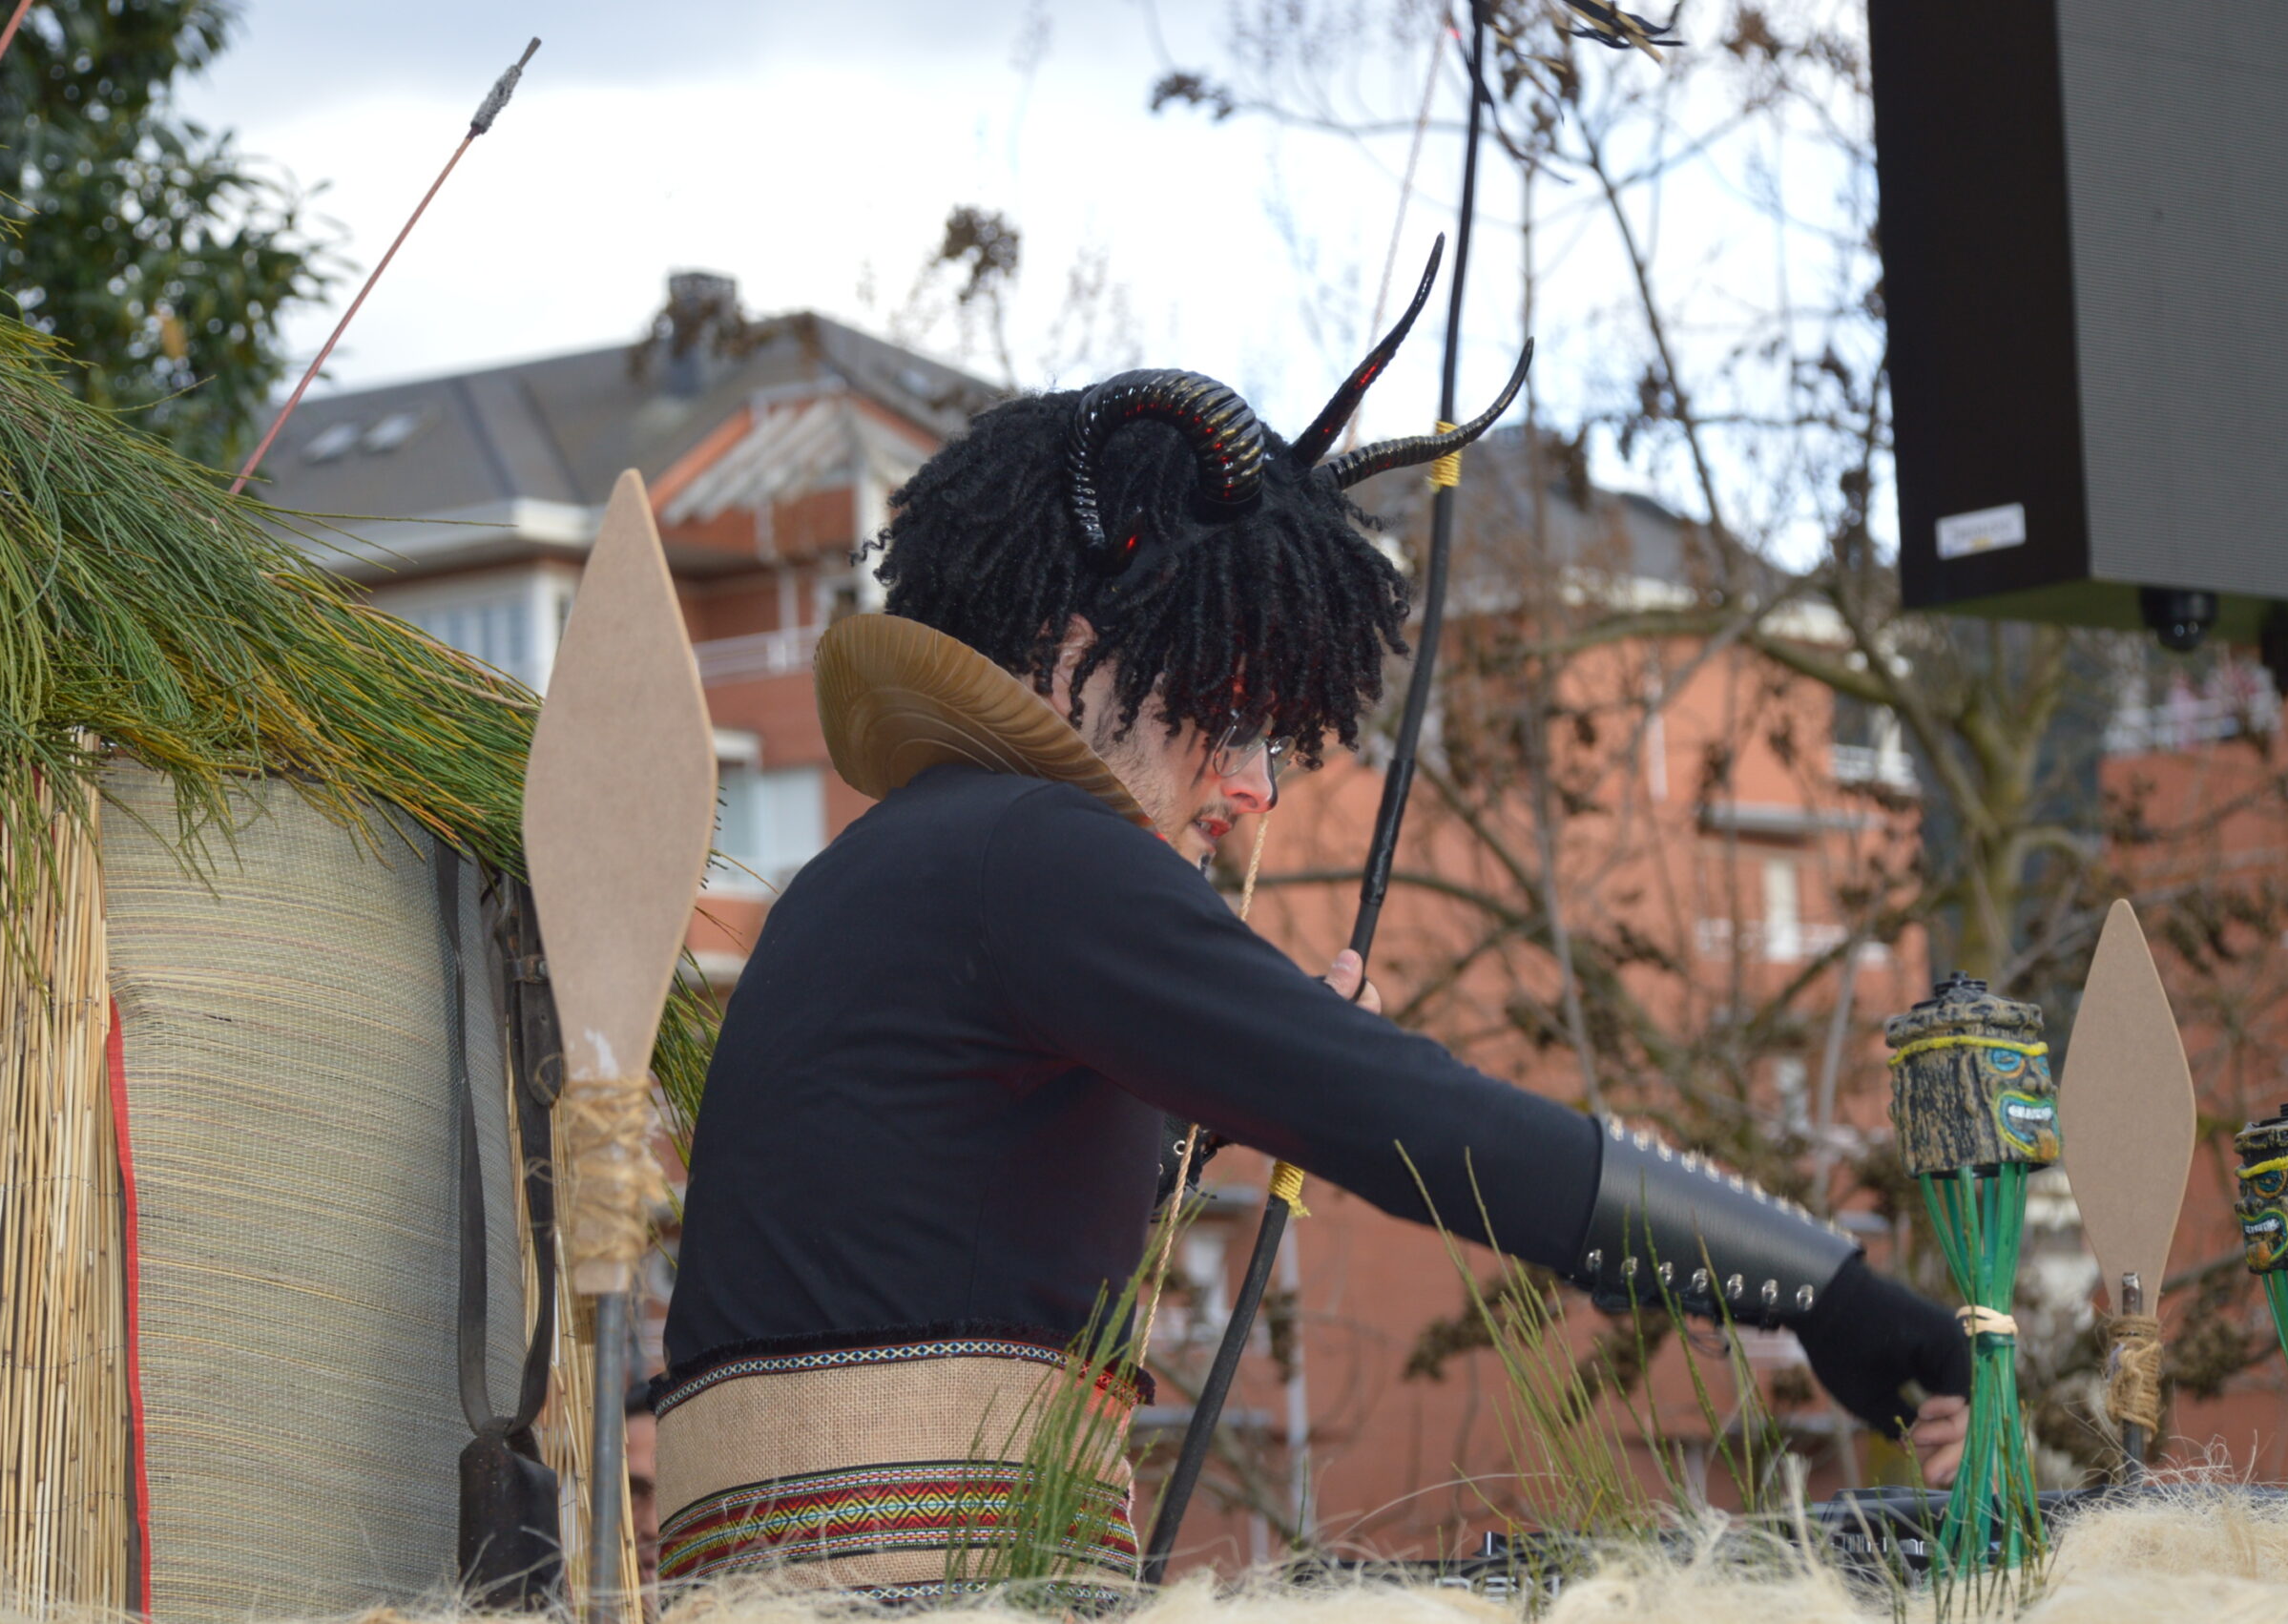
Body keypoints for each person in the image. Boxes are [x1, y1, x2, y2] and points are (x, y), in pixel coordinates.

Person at [655, 264, 1970, 1599]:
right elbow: (1414, 1120)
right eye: (1226, 713)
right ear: (1068, 654)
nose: (1254, 786)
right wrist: (1823, 1287)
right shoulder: (1032, 850)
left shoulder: (886, 873)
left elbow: (940, 1227)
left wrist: (1221, 1105)